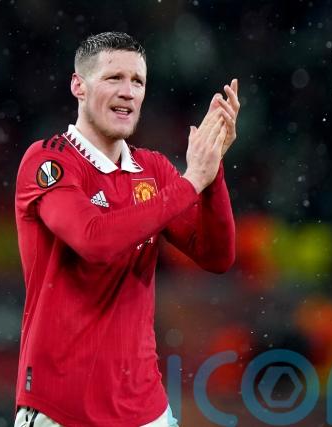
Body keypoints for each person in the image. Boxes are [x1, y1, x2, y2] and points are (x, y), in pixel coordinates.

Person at [13, 31, 239, 427]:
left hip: (145, 410)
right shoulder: (48, 161)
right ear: (78, 86)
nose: (128, 92)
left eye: (137, 81)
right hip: (62, 409)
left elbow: (217, 256)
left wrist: (212, 170)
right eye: (114, 78)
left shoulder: (152, 170)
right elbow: (94, 240)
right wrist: (190, 182)